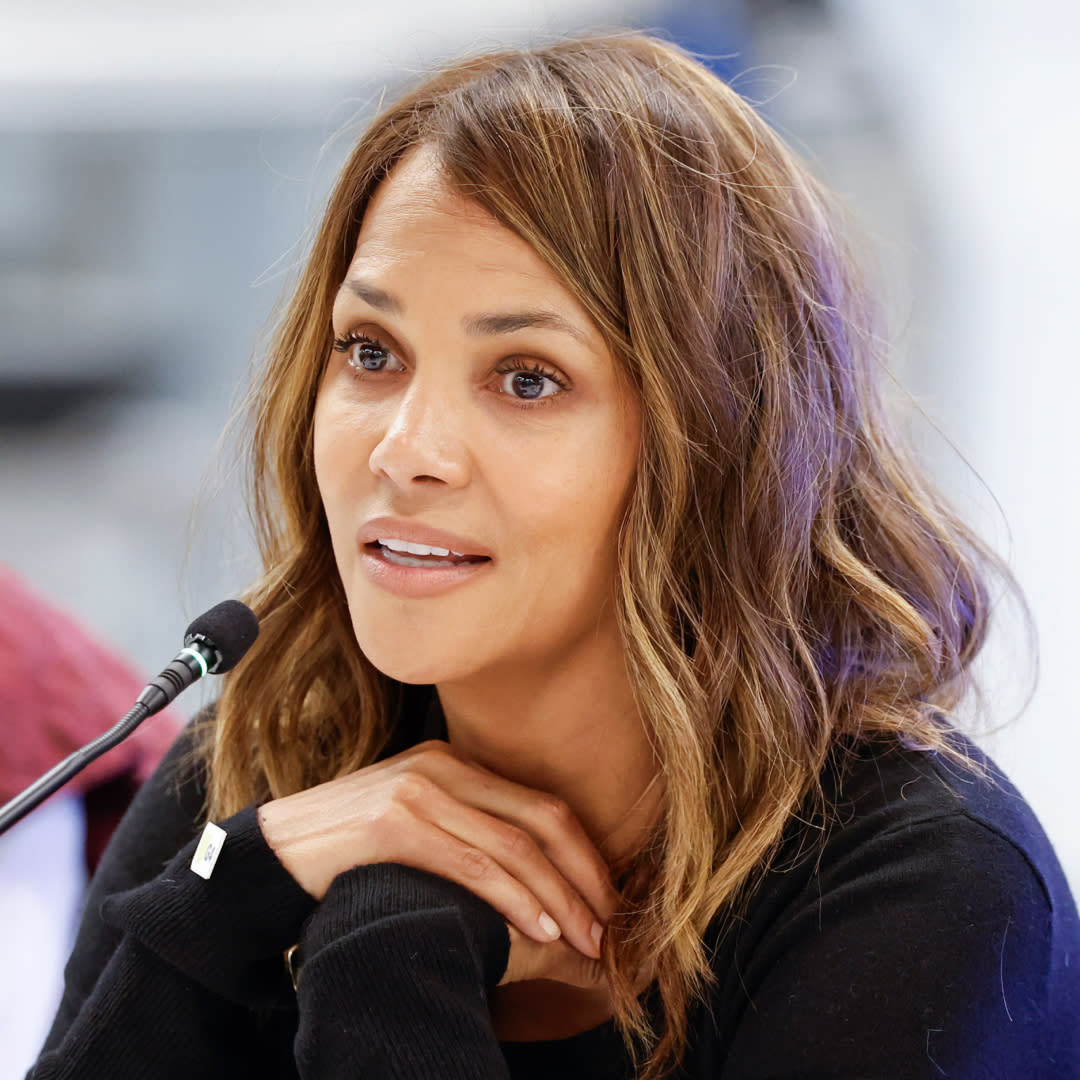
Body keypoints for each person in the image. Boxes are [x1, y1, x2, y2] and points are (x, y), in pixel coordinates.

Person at [29, 32, 1080, 1080]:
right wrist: (230, 887)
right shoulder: (257, 765)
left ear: (717, 444)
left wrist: (385, 950)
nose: (404, 451)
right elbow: (184, 915)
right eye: (372, 353)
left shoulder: (923, 885)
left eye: (527, 378)